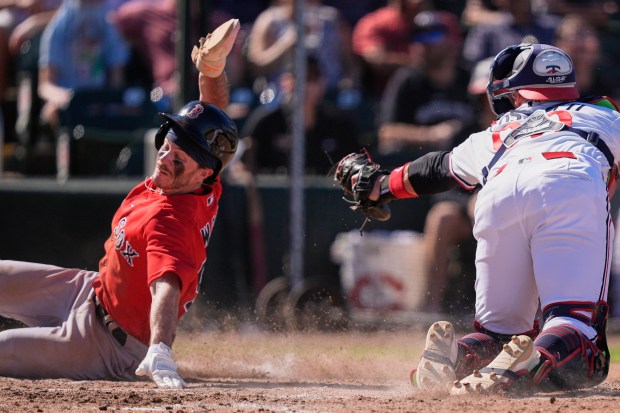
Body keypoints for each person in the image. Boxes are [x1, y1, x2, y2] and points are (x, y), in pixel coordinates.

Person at [334, 43, 615, 393]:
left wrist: (380, 186)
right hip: (569, 181)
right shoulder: (604, 114)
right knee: (576, 327)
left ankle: (453, 357)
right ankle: (529, 360)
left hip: (497, 194)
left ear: (514, 92)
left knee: (498, 333)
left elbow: (438, 168)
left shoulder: (502, 129)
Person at [0, 18, 240, 389]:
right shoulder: (199, 180)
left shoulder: (171, 220)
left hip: (106, 345)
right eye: (170, 144)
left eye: (181, 157)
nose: (166, 157)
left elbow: (167, 289)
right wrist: (212, 70)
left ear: (202, 173)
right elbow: (213, 117)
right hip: (88, 291)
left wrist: (160, 347)